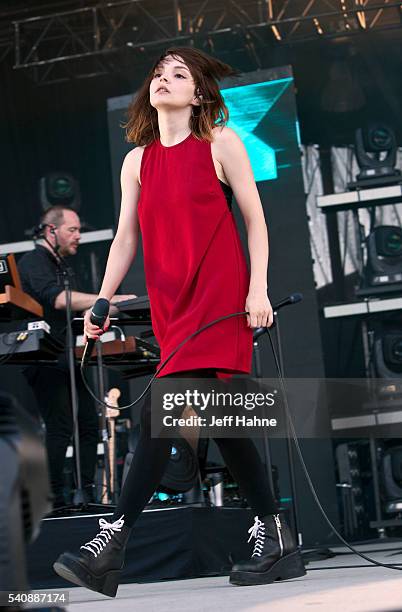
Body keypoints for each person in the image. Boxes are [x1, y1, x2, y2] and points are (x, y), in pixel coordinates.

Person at [53, 48, 306, 595]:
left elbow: (255, 220)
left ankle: (111, 543)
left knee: (165, 412)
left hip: (219, 301)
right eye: (159, 74)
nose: (165, 80)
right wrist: (100, 303)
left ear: (198, 94)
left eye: (179, 74)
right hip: (173, 308)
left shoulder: (222, 143)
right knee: (224, 424)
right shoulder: (137, 161)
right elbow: (126, 238)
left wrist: (256, 290)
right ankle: (277, 532)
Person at [18, 205, 135, 508]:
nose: (78, 236)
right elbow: (58, 300)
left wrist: (117, 305)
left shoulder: (60, 265)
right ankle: (55, 500)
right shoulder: (34, 261)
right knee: (59, 428)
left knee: (86, 423)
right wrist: (105, 299)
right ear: (50, 231)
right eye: (73, 230)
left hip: (64, 355)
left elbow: (82, 307)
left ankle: (86, 493)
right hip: (42, 357)